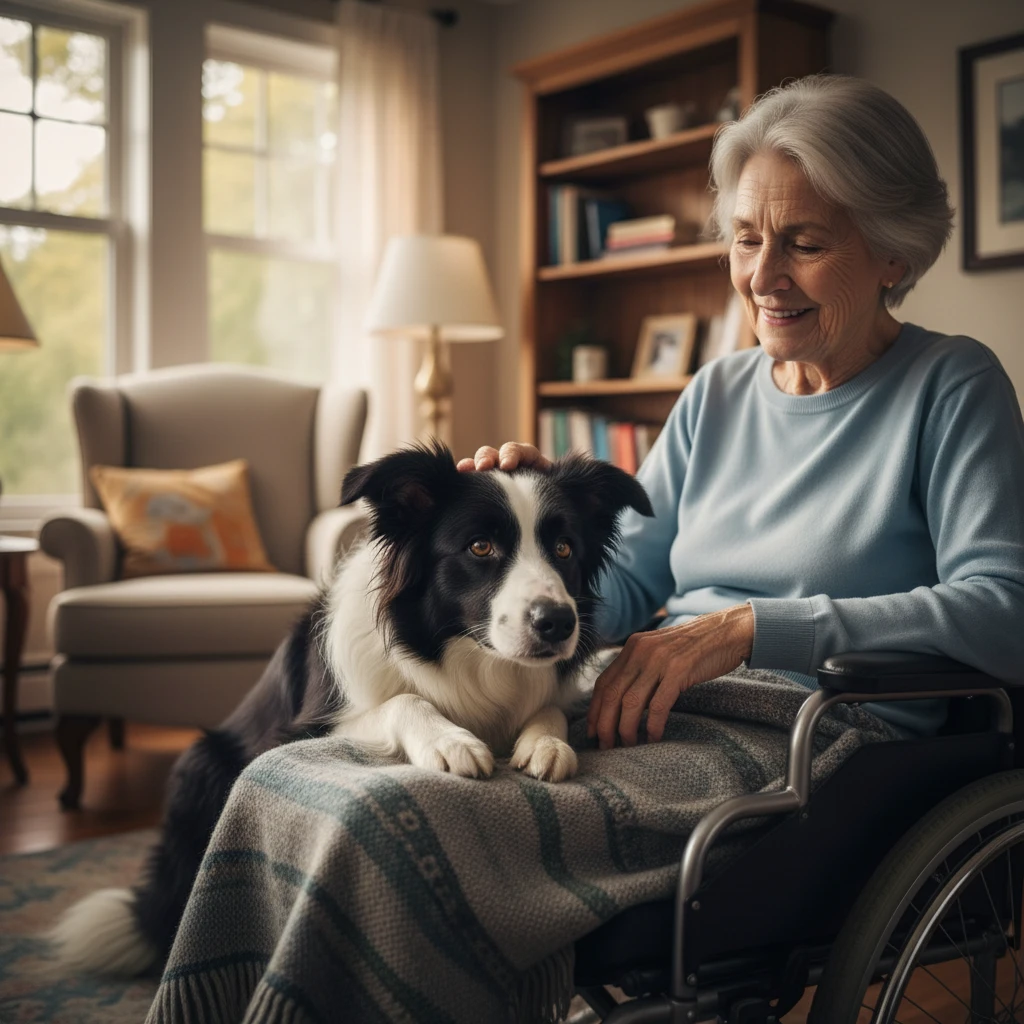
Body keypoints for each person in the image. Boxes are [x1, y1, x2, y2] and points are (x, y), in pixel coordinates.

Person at [458, 74, 1024, 747]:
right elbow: (616, 599)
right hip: (653, 708)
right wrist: (545, 532)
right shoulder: (716, 390)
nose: (761, 278)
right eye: (748, 239)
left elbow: (1004, 613)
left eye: (805, 244)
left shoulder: (951, 384)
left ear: (893, 257)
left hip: (815, 733)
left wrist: (750, 629)